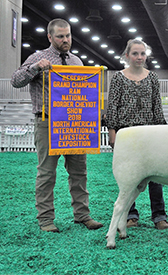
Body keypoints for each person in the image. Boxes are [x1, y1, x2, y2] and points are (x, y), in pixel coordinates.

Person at [11, 18, 103, 232]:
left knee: (79, 172)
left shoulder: (77, 62)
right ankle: (45, 220)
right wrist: (34, 68)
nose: (65, 40)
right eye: (60, 36)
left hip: (74, 123)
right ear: (50, 37)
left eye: (68, 35)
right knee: (46, 173)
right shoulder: (37, 57)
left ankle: (82, 215)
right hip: (47, 121)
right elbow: (15, 81)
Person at [106, 39, 168, 230]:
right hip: (126, 135)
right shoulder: (118, 78)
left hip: (150, 134)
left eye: (142, 53)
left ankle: (159, 216)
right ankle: (130, 215)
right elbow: (113, 107)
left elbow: (157, 107)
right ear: (127, 56)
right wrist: (112, 131)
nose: (139, 57)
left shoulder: (153, 78)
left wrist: (163, 132)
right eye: (135, 53)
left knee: (155, 177)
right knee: (129, 178)